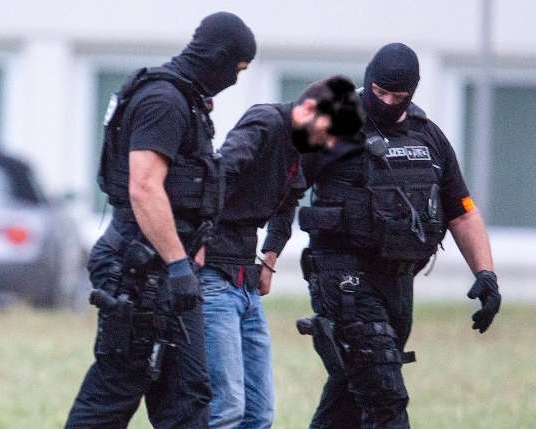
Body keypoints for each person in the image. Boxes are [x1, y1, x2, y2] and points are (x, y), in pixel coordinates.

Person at [64, 12, 256, 429]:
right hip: (139, 267)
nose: (235, 80)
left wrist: (188, 253)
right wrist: (178, 263)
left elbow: (184, 192)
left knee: (187, 397)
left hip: (167, 268)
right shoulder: (163, 101)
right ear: (219, 57)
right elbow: (145, 187)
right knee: (117, 387)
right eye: (237, 69)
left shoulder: (186, 100)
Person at [297, 43, 502, 429]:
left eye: (399, 96)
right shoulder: (333, 124)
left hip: (397, 283)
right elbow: (284, 189)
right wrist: (267, 254)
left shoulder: (428, 136)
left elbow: (461, 210)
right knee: (386, 400)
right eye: (380, 93)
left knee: (348, 399)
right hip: (343, 279)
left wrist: (486, 275)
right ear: (368, 80)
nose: (388, 102)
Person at [201, 77, 363, 429]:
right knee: (227, 409)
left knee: (259, 413)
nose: (328, 143)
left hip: (245, 279)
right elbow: (220, 173)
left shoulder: (302, 147)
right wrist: (196, 240)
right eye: (328, 132)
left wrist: (270, 257)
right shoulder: (266, 121)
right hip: (213, 275)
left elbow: (289, 201)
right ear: (308, 110)